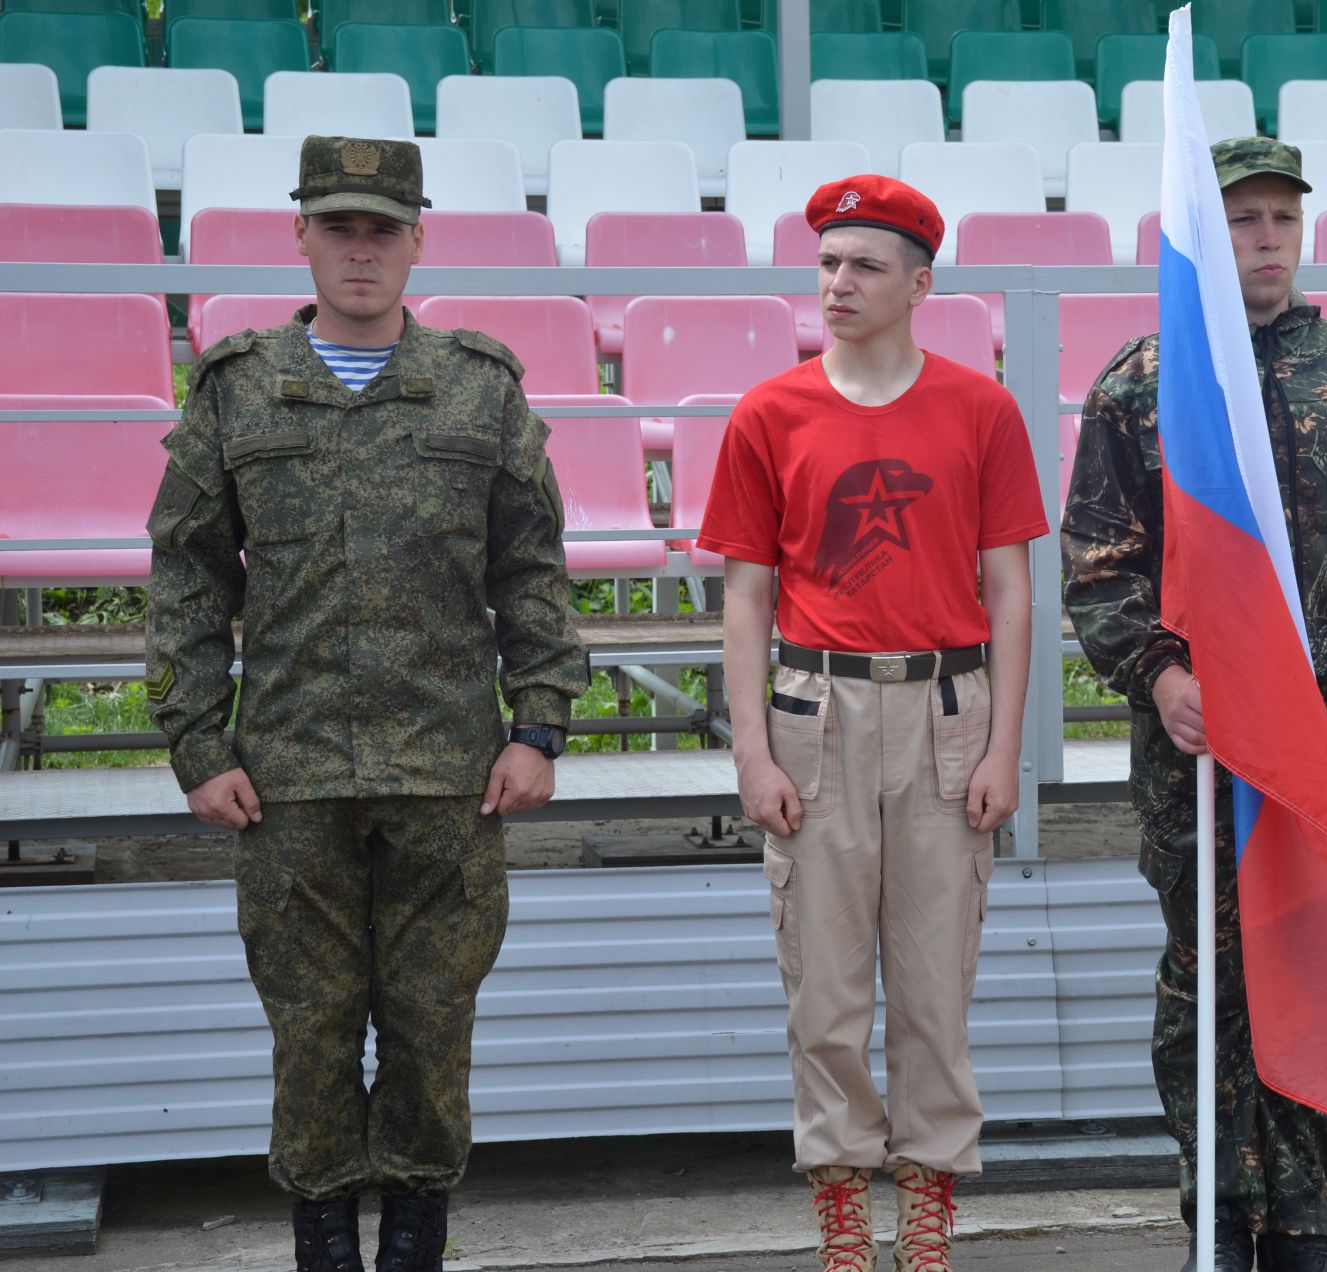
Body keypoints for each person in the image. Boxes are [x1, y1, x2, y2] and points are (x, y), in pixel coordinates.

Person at [144, 136, 589, 1272]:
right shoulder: (239, 390)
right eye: (336, 227)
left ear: (415, 241)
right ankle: (327, 1251)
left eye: (381, 229)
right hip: (287, 780)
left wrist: (539, 724)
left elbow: (531, 568)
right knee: (310, 1035)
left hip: (450, 773)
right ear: (300, 235)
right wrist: (196, 740)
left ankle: (415, 1250)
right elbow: (186, 572)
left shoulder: (479, 388)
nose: (358, 250)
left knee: (434, 1033)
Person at [1062, 137, 1327, 1272]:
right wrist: (1161, 676)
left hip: (1326, 729)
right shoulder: (1146, 382)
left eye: (1281, 217)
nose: (1265, 238)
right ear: (1200, 238)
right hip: (1198, 732)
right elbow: (1100, 560)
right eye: (1240, 221)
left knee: (1308, 959)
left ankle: (1305, 1219)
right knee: (1206, 971)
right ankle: (1220, 1213)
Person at [697, 174, 1049, 1272]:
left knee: (936, 986)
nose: (839, 283)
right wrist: (752, 750)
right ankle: (843, 1199)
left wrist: (1004, 749)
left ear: (921, 284)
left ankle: (930, 1196)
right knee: (827, 987)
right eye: (829, 263)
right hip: (818, 712)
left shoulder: (980, 409)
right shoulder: (770, 412)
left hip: (948, 711)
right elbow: (746, 596)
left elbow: (1013, 592)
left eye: (865, 266)